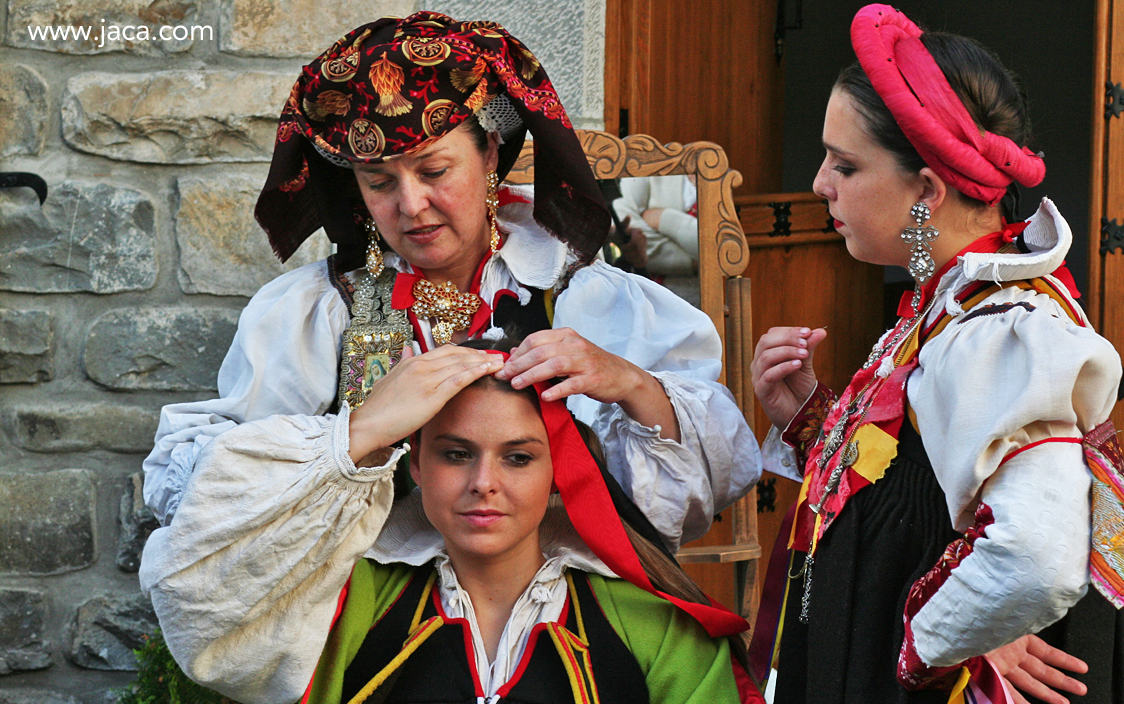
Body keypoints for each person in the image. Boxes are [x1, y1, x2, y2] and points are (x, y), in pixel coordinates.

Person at [140, 12, 760, 555]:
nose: (411, 205)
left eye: (435, 170)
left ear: (491, 152)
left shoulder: (577, 292)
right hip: (374, 602)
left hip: (560, 597)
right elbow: (194, 493)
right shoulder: (324, 308)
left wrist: (628, 383)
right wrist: (356, 435)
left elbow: (713, 480)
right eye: (379, 182)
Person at [748, 5, 1124, 704]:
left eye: (846, 164)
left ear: (927, 192)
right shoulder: (953, 307)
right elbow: (917, 496)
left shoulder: (999, 329)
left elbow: (1035, 557)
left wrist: (938, 634)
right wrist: (810, 419)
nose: (821, 183)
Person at [140, 337, 761, 704]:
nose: (483, 482)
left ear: (559, 477)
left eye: (518, 458)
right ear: (416, 465)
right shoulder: (343, 603)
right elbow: (199, 597)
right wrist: (362, 433)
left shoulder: (652, 627)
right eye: (455, 453)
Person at [611, 175, 700, 277]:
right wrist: (691, 263)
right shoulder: (651, 163)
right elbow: (621, 213)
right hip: (654, 287)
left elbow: (719, 249)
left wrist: (664, 219)